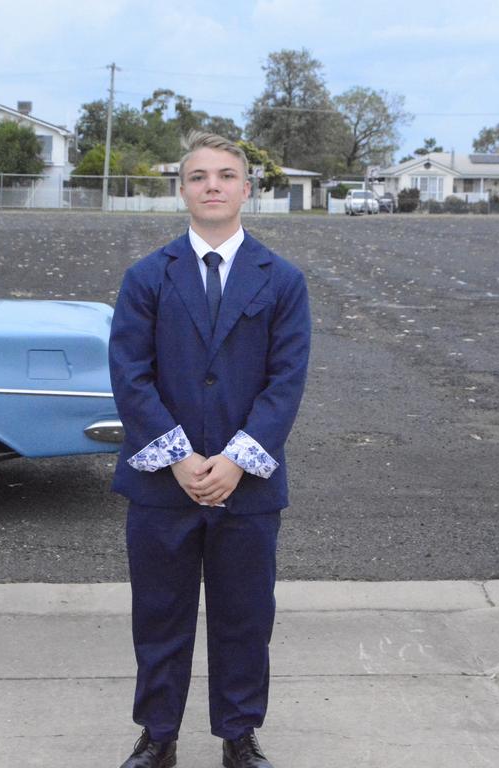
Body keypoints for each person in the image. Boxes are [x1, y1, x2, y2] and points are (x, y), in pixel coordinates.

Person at [109, 131, 311, 768]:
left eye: (227, 175)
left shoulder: (282, 280)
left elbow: (286, 381)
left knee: (244, 619)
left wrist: (233, 461)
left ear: (247, 189)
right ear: (183, 190)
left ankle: (238, 735)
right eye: (199, 176)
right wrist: (177, 457)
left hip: (246, 486)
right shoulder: (147, 276)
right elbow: (129, 374)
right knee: (160, 617)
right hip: (161, 485)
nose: (214, 185)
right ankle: (158, 736)